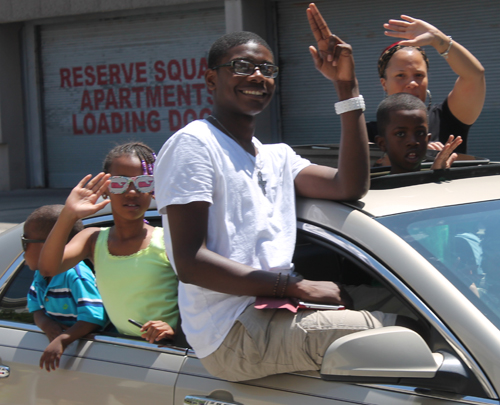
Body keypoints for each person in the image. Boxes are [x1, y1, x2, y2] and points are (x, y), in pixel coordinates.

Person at [154, 4, 421, 382]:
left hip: (281, 305)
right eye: (242, 67)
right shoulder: (194, 145)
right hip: (232, 331)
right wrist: (297, 286)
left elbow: (349, 185)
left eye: (267, 68)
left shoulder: (276, 156)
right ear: (211, 80)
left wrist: (347, 88)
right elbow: (190, 262)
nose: (258, 76)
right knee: (408, 333)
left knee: (427, 313)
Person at [38, 142, 179, 345]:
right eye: (120, 182)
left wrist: (173, 328)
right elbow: (48, 267)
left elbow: (198, 300)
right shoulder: (93, 239)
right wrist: (69, 214)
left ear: (154, 188)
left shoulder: (168, 240)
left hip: (170, 353)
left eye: (144, 182)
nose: (132, 192)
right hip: (120, 350)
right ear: (105, 189)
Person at [367, 14, 485, 154]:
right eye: (400, 75)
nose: (412, 83)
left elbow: (474, 76)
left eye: (419, 75)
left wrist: (438, 39)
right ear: (384, 84)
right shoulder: (369, 133)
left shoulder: (446, 118)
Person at [24, 204, 108, 372]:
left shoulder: (75, 275)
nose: (23, 251)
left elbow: (94, 317)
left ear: (49, 246)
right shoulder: (40, 275)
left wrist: (63, 340)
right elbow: (35, 308)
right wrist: (47, 325)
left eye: (25, 243)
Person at [375, 92, 462, 174]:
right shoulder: (375, 188)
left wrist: (438, 176)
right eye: (400, 134)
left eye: (420, 133)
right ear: (382, 144)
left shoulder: (437, 183)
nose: (412, 141)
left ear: (428, 139)